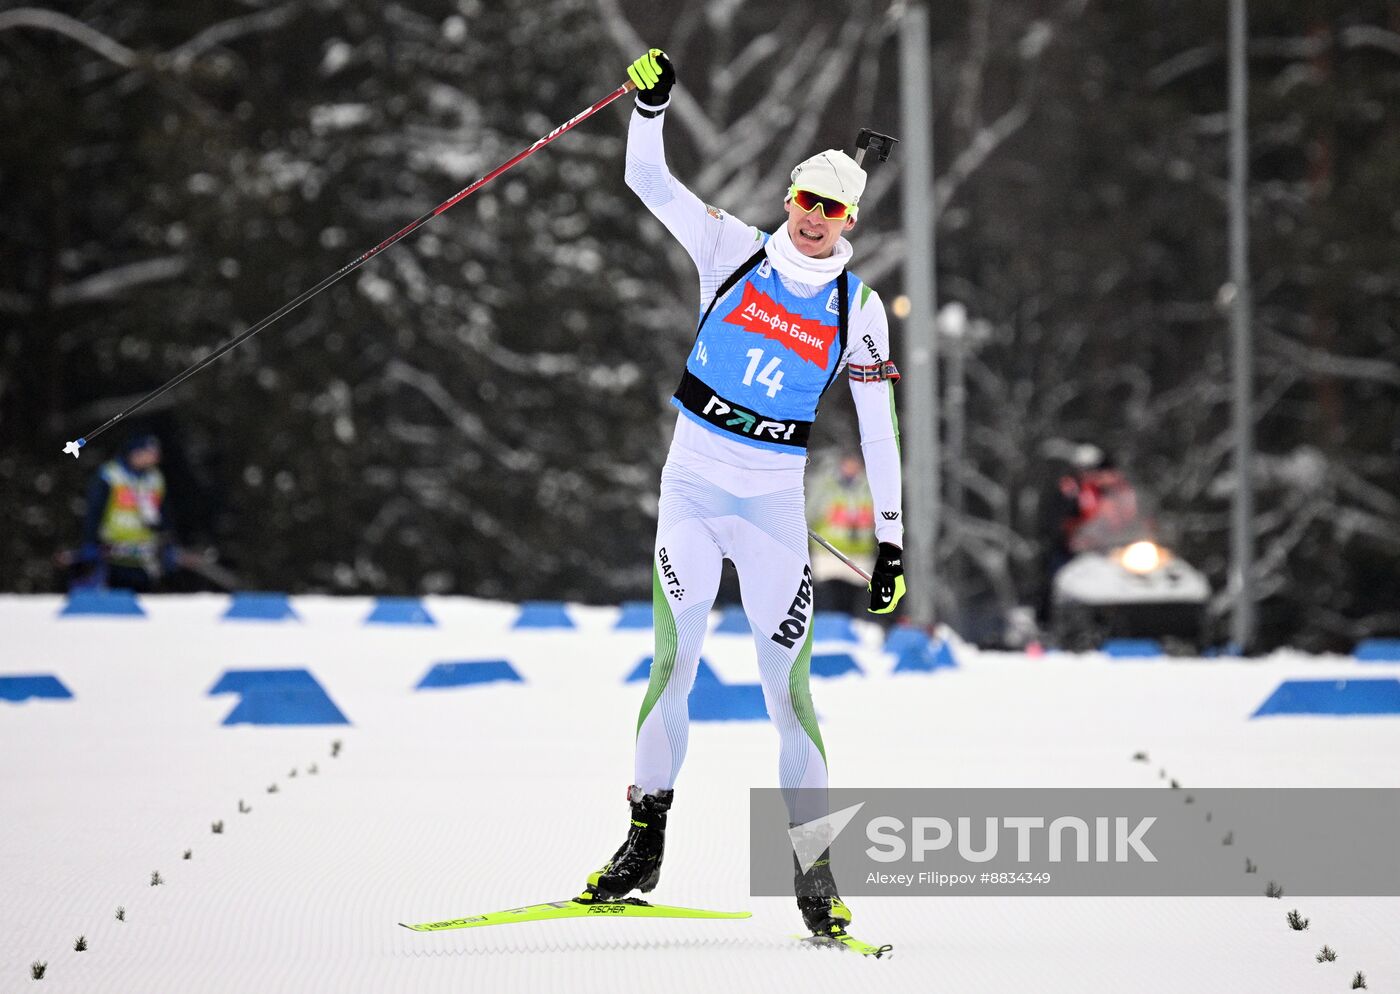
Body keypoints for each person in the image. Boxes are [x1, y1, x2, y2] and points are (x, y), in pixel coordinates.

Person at [580, 50, 905, 946]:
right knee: (671, 666)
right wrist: (652, 105)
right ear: (790, 197)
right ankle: (643, 845)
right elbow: (646, 176)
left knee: (789, 696)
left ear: (851, 220)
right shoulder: (729, 247)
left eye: (835, 210)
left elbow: (878, 430)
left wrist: (892, 543)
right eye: (807, 201)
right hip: (690, 493)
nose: (815, 220)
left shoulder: (859, 308)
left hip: (769, 515)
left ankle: (815, 877)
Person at [74, 433, 169, 592]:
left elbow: (163, 512)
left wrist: (165, 539)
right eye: (149, 453)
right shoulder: (111, 475)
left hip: (143, 555)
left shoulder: (155, 478)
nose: (153, 459)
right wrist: (89, 541)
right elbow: (94, 511)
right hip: (111, 554)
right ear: (135, 452)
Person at [806, 451, 876, 616]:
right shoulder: (826, 488)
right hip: (828, 555)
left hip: (859, 556)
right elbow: (810, 514)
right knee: (828, 600)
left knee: (853, 603)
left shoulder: (869, 488)